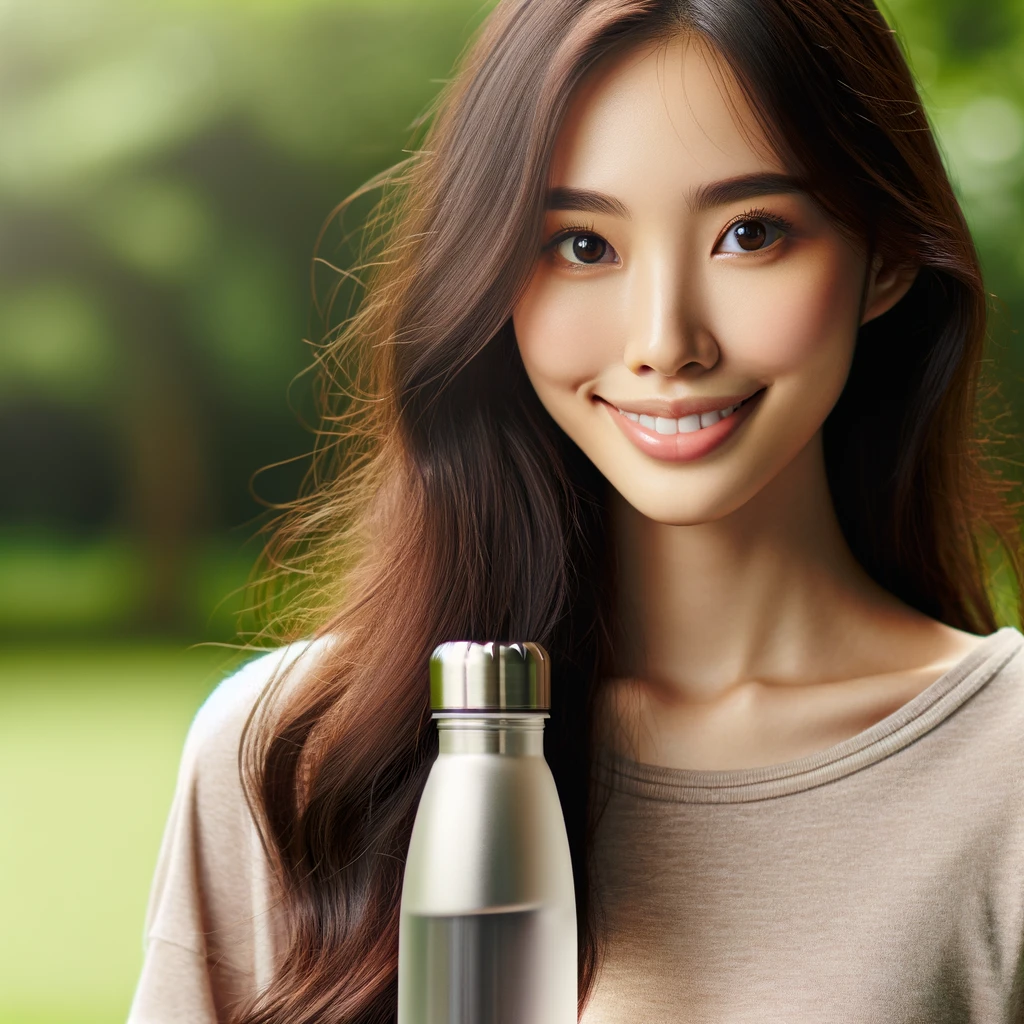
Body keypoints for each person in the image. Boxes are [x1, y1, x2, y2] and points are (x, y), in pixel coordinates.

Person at [128, 0, 1024, 1021]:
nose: (664, 341)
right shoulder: (300, 755)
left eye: (750, 232)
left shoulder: (1005, 772)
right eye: (582, 247)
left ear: (887, 256)